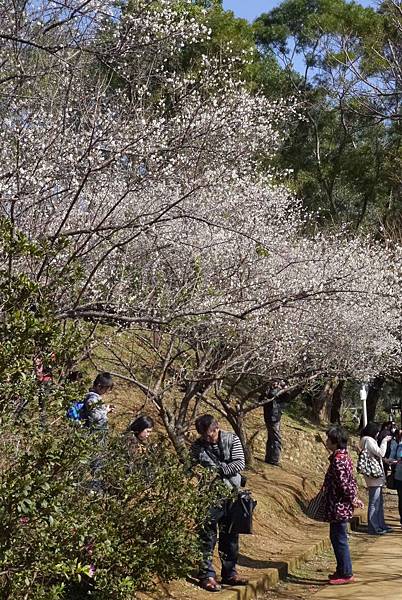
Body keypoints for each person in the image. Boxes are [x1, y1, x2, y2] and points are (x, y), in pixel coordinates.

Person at [191, 414, 249, 592]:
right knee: (206, 536)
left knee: (231, 535)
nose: (207, 438)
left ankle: (229, 572)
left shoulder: (232, 439)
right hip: (209, 495)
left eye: (209, 434)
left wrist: (219, 470)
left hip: (232, 493)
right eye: (203, 435)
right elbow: (192, 466)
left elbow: (240, 463)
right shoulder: (197, 446)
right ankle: (206, 574)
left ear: (217, 428)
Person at [323, 426, 363, 586]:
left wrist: (353, 498)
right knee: (336, 538)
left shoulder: (339, 460)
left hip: (339, 506)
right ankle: (341, 569)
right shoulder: (343, 457)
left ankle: (346, 573)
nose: (326, 442)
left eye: (328, 439)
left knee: (340, 539)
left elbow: (344, 483)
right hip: (339, 505)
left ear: (335, 442)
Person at [360, 422, 394, 535]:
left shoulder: (366, 440)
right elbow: (380, 452)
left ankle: (380, 525)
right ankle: (374, 527)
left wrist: (386, 461)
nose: (378, 433)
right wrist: (384, 441)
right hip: (373, 477)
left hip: (375, 476)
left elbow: (376, 456)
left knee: (379, 502)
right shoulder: (368, 440)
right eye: (377, 431)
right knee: (374, 502)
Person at [263, 381, 286, 466]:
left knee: (271, 438)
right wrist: (279, 388)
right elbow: (272, 394)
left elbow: (287, 397)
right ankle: (274, 459)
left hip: (273, 417)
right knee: (276, 439)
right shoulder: (271, 391)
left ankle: (269, 458)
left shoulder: (270, 390)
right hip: (273, 417)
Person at [388, 429, 402, 526]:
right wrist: (393, 461)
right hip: (399, 477)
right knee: (401, 499)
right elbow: (391, 458)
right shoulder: (397, 446)